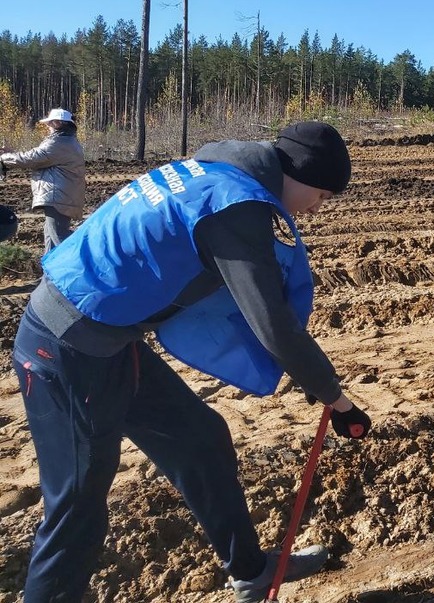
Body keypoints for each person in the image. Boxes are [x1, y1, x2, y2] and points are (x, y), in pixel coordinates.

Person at [10, 121, 372, 603]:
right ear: (301, 174)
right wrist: (336, 398)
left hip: (112, 338)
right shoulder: (234, 205)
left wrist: (301, 370)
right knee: (76, 503)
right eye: (322, 196)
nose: (315, 209)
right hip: (64, 346)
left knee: (199, 439)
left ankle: (251, 570)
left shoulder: (211, 171)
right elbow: (272, 322)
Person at [0, 108, 87, 255]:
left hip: (58, 197)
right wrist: (11, 154)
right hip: (61, 197)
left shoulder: (60, 142)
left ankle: (89, 263)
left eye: (49, 124)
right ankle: (48, 278)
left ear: (58, 123)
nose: (48, 127)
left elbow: (32, 158)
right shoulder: (66, 141)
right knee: (50, 239)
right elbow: (38, 156)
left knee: (60, 238)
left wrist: (4, 158)